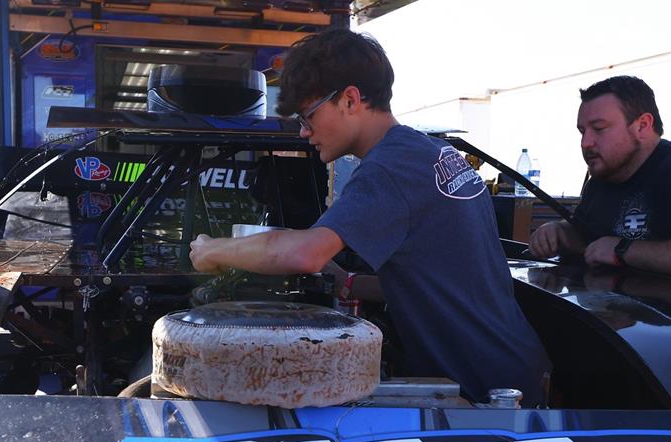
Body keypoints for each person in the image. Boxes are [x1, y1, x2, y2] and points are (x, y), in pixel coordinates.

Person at [189, 29, 551, 407]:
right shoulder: (431, 153)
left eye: (308, 116)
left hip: (486, 389)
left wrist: (213, 249)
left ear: (350, 99)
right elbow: (443, 278)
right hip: (511, 364)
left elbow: (304, 254)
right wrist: (348, 283)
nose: (304, 131)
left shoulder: (388, 169)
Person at [529, 76, 671, 284]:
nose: (585, 142)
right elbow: (592, 240)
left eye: (599, 128)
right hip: (614, 309)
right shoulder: (601, 181)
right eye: (582, 131)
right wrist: (559, 232)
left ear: (642, 126)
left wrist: (621, 250)